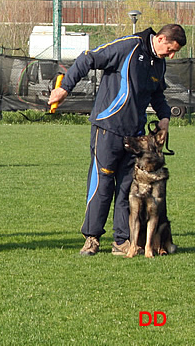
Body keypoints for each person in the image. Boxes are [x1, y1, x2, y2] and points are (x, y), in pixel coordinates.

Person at [48, 23, 186, 256]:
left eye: (174, 53)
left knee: (126, 189)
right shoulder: (128, 47)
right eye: (170, 49)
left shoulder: (159, 64)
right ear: (161, 38)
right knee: (102, 184)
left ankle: (122, 241)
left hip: (135, 136)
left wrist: (164, 117)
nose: (171, 55)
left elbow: (157, 94)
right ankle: (91, 238)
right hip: (108, 128)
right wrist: (65, 89)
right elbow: (87, 58)